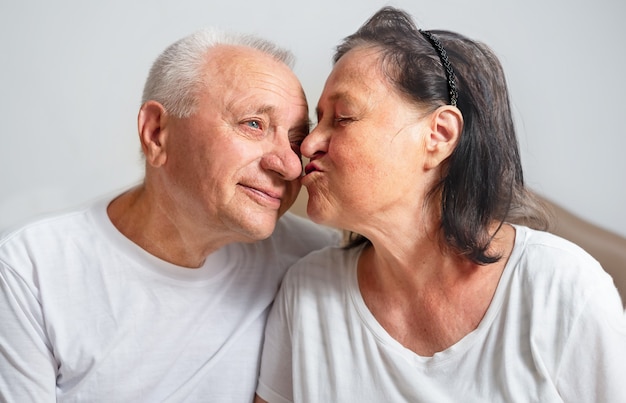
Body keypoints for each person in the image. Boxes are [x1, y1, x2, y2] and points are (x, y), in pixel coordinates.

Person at [256, 7, 626, 402]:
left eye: (343, 118)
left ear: (439, 135)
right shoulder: (307, 292)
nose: (309, 146)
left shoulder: (562, 290)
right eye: (318, 122)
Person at [0, 28, 339, 401]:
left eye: (295, 141)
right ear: (157, 133)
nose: (291, 166)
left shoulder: (318, 264)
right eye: (254, 124)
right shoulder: (28, 271)